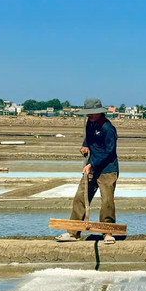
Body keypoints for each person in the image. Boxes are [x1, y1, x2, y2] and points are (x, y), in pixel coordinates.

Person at [57, 99, 120, 243]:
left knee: (107, 201)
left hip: (107, 170)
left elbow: (109, 152)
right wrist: (84, 146)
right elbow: (88, 139)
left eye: (92, 113)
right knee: (81, 197)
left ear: (99, 112)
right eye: (88, 114)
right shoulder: (90, 123)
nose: (90, 116)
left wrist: (92, 164)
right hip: (91, 166)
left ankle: (108, 232)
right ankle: (73, 233)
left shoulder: (108, 128)